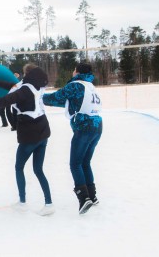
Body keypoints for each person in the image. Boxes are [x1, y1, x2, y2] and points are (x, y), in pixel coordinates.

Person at [0, 66, 55, 216]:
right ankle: (49, 203)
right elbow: (13, 86)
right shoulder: (37, 86)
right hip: (43, 132)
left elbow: (2, 102)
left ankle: (22, 202)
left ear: (28, 75)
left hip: (30, 135)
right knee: (38, 170)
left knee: (19, 167)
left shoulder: (25, 90)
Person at [43, 63, 103, 215]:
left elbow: (56, 97)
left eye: (73, 69)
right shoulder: (89, 85)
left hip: (84, 127)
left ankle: (84, 198)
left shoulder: (75, 85)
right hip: (97, 126)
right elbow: (65, 102)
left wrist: (38, 97)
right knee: (85, 162)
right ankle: (92, 195)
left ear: (77, 72)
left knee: (75, 164)